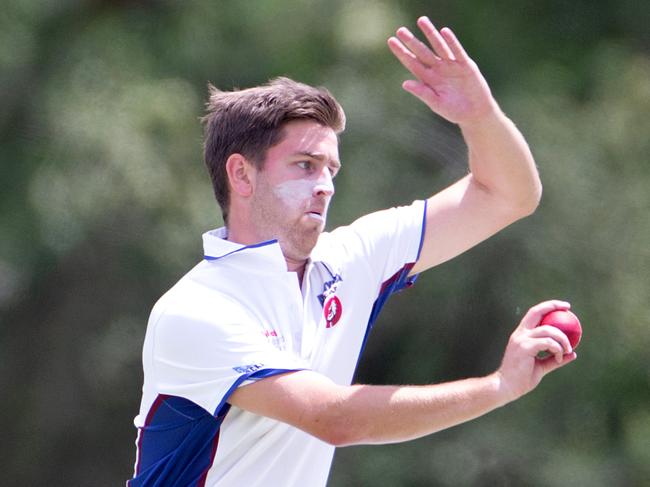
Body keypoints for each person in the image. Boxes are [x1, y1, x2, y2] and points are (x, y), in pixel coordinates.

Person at [128, 16, 577, 487]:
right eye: (305, 165)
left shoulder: (350, 257)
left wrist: (481, 116)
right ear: (241, 175)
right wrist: (497, 387)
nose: (324, 186)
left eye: (331, 170)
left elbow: (510, 196)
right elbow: (334, 420)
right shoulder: (195, 311)